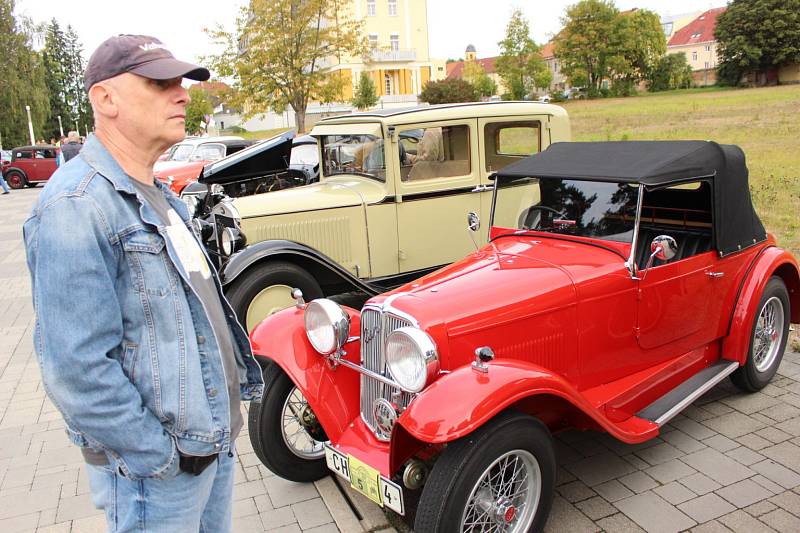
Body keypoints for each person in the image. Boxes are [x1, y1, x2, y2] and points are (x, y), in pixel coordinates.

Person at [23, 34, 263, 533]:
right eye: (160, 83)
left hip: (208, 450)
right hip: (159, 474)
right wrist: (157, 455)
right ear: (105, 99)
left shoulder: (159, 195)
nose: (182, 94)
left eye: (181, 82)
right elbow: (77, 370)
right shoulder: (76, 206)